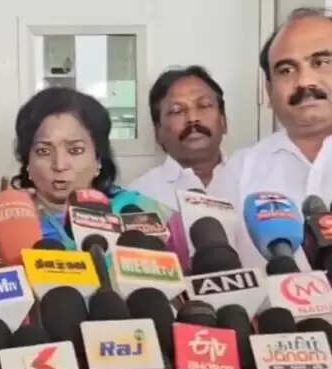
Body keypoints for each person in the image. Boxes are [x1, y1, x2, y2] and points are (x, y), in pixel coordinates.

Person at [223, 8, 332, 270]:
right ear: (269, 91)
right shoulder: (236, 171)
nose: (304, 81)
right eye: (286, 70)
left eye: (321, 62)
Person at [0, 87, 124, 249]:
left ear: (99, 158)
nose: (59, 165)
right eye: (44, 151)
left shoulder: (128, 210)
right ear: (28, 162)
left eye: (75, 150)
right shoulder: (2, 217)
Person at [129, 65, 231, 209]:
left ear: (223, 120)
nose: (193, 118)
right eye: (177, 111)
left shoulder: (251, 178)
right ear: (158, 131)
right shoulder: (140, 196)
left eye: (204, 105)